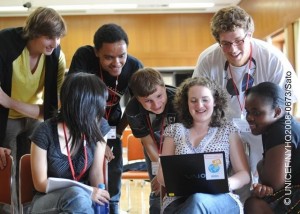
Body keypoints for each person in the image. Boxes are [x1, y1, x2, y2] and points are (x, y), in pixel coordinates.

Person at [192, 5, 300, 202]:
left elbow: (287, 106)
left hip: (265, 131)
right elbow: (199, 104)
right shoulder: (207, 61)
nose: (232, 49)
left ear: (250, 35)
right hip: (225, 129)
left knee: (264, 190)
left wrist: (278, 146)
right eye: (225, 43)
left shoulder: (274, 59)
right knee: (228, 189)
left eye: (239, 41)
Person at [68, 23, 143, 213]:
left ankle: (113, 205)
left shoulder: (134, 66)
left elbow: (137, 105)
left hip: (111, 124)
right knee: (84, 164)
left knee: (113, 164)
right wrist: (97, 138)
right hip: (82, 122)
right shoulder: (84, 57)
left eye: (121, 56)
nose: (117, 62)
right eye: (109, 57)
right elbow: (77, 99)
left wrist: (117, 133)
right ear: (96, 52)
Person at [0, 7, 67, 213]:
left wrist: (10, 102)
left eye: (58, 37)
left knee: (30, 171)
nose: (54, 43)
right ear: (34, 33)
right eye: (49, 37)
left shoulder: (57, 57)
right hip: (4, 120)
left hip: (32, 117)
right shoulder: (5, 46)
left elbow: (51, 109)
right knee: (6, 172)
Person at [157, 77, 250, 213]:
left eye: (205, 100)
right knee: (195, 200)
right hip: (179, 200)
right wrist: (186, 185)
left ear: (215, 102)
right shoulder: (174, 130)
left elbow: (244, 174)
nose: (199, 105)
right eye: (193, 100)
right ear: (186, 103)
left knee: (198, 200)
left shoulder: (228, 130)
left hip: (219, 199)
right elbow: (162, 175)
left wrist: (226, 184)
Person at [29, 72, 111, 213]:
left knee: (81, 200)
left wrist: (99, 200)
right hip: (47, 201)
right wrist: (88, 190)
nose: (102, 110)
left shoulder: (100, 126)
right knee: (76, 195)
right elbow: (40, 184)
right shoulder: (44, 132)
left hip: (85, 200)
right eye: (99, 106)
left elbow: (96, 172)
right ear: (84, 107)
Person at [125, 67, 178, 214]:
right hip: (154, 150)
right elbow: (147, 143)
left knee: (178, 186)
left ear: (164, 87)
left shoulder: (180, 100)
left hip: (181, 150)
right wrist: (162, 169)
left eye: (159, 96)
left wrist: (170, 170)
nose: (156, 104)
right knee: (157, 186)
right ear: (137, 98)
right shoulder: (133, 109)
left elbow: (188, 140)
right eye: (148, 101)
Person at [243, 82, 300, 213]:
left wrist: (259, 165)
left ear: (277, 112)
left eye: (256, 113)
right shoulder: (281, 124)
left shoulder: (280, 131)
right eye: (248, 112)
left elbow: (274, 183)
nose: (249, 118)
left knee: (254, 204)